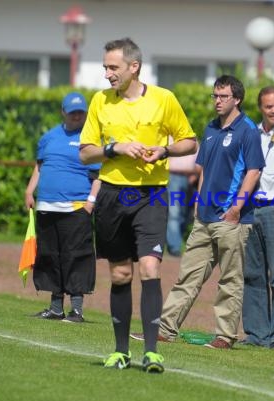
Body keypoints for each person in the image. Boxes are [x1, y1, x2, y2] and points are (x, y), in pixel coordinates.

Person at [79, 37, 197, 372]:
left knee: (150, 267)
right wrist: (114, 148)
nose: (107, 74)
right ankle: (119, 351)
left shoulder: (164, 99)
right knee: (119, 274)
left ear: (135, 67)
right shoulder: (100, 101)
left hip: (152, 194)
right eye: (105, 67)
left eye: (113, 67)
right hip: (112, 194)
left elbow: (189, 141)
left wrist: (165, 150)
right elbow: (86, 151)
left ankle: (152, 352)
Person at [156, 75, 265, 349]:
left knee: (229, 280)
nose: (217, 101)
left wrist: (236, 208)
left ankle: (224, 336)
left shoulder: (248, 130)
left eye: (223, 96)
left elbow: (254, 171)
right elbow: (202, 169)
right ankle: (165, 329)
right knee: (187, 276)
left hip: (232, 219)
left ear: (237, 99)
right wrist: (197, 204)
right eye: (215, 96)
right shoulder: (211, 128)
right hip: (204, 217)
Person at [25, 92, 100, 323]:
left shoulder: (90, 140)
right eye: (73, 111)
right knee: (50, 256)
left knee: (75, 256)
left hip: (76, 207)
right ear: (63, 112)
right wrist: (29, 191)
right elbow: (39, 166)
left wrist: (91, 202)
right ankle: (55, 307)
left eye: (81, 112)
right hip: (47, 206)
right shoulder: (48, 138)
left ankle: (76, 310)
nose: (77, 115)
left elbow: (99, 175)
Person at [241, 86, 274, 349]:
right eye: (268, 106)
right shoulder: (252, 135)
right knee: (252, 274)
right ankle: (256, 334)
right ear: (260, 108)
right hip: (252, 209)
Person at [166, 139, 199, 257]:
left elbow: (199, 160)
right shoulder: (169, 138)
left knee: (185, 214)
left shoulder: (191, 138)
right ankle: (174, 247)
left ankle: (175, 242)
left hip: (189, 180)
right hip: (172, 176)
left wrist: (194, 176)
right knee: (174, 213)